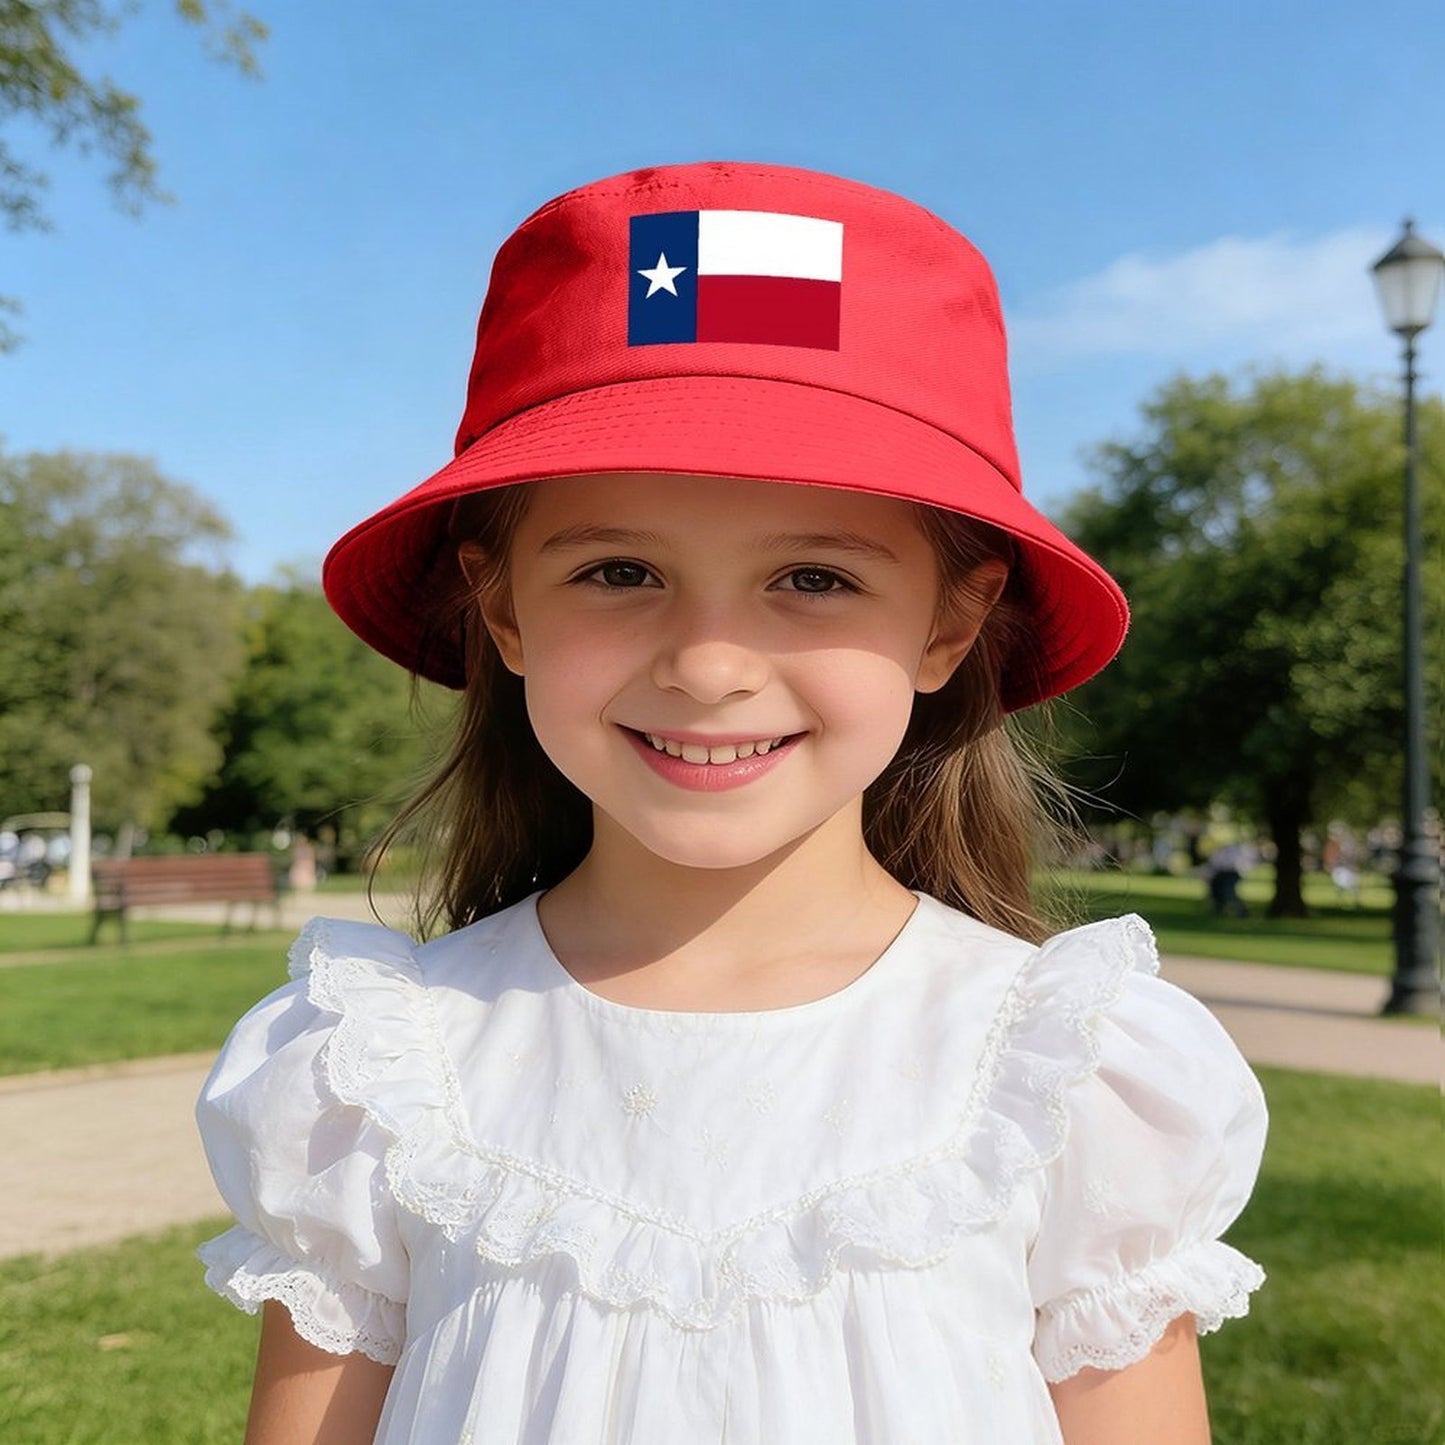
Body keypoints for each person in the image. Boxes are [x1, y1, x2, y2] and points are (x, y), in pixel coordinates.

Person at [195, 162, 1268, 1445]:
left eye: (812, 577)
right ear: (502, 608)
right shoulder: (371, 1073)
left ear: (948, 623)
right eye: (618, 570)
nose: (707, 665)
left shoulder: (1065, 1076)